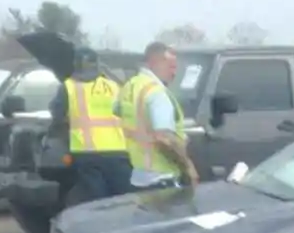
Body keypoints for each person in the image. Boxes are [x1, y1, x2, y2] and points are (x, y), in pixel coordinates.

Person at [119, 41, 197, 191]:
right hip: (162, 178)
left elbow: (118, 112)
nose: (174, 73)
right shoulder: (157, 93)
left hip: (138, 177)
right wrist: (188, 167)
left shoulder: (130, 86)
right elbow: (165, 138)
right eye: (171, 67)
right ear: (155, 63)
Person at [55, 48, 132, 200]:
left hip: (87, 153)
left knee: (96, 204)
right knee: (124, 202)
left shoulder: (68, 87)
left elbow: (58, 116)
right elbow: (128, 113)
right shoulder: (113, 86)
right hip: (118, 151)